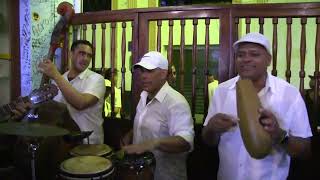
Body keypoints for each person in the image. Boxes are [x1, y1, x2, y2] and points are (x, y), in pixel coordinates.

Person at [202, 32, 312, 180]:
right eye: (240, 55)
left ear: (268, 60)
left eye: (254, 54)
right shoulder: (221, 91)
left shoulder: (289, 94)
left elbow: (305, 151)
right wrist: (211, 128)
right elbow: (209, 141)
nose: (246, 59)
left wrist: (278, 135)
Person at [14, 40, 106, 144]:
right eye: (81, 53)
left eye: (89, 56)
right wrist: (28, 110)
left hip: (89, 143)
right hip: (63, 144)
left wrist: (55, 74)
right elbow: (52, 112)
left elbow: (81, 103)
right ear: (71, 54)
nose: (85, 59)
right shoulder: (58, 80)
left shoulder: (97, 79)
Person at [121, 51, 194, 180]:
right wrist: (131, 134)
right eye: (142, 71)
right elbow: (147, 122)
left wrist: (153, 143)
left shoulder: (176, 102)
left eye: (149, 71)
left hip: (165, 175)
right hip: (142, 173)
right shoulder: (144, 96)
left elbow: (185, 142)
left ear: (163, 73)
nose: (143, 76)